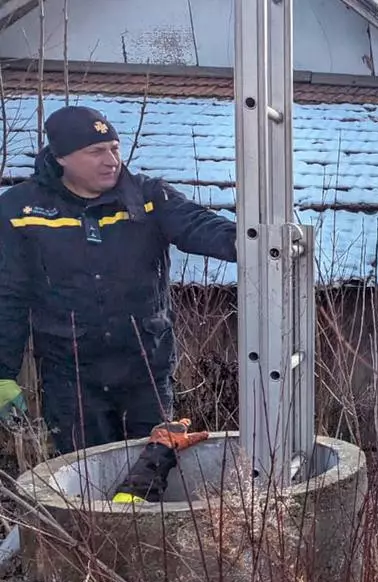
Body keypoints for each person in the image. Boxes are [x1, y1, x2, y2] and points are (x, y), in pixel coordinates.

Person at [0, 106, 237, 455]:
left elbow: (198, 225)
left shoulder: (148, 197)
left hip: (145, 372)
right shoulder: (22, 211)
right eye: (96, 152)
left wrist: (251, 241)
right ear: (62, 157)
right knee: (86, 479)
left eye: (114, 148)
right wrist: (3, 372)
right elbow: (9, 295)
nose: (111, 160)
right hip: (71, 379)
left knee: (152, 468)